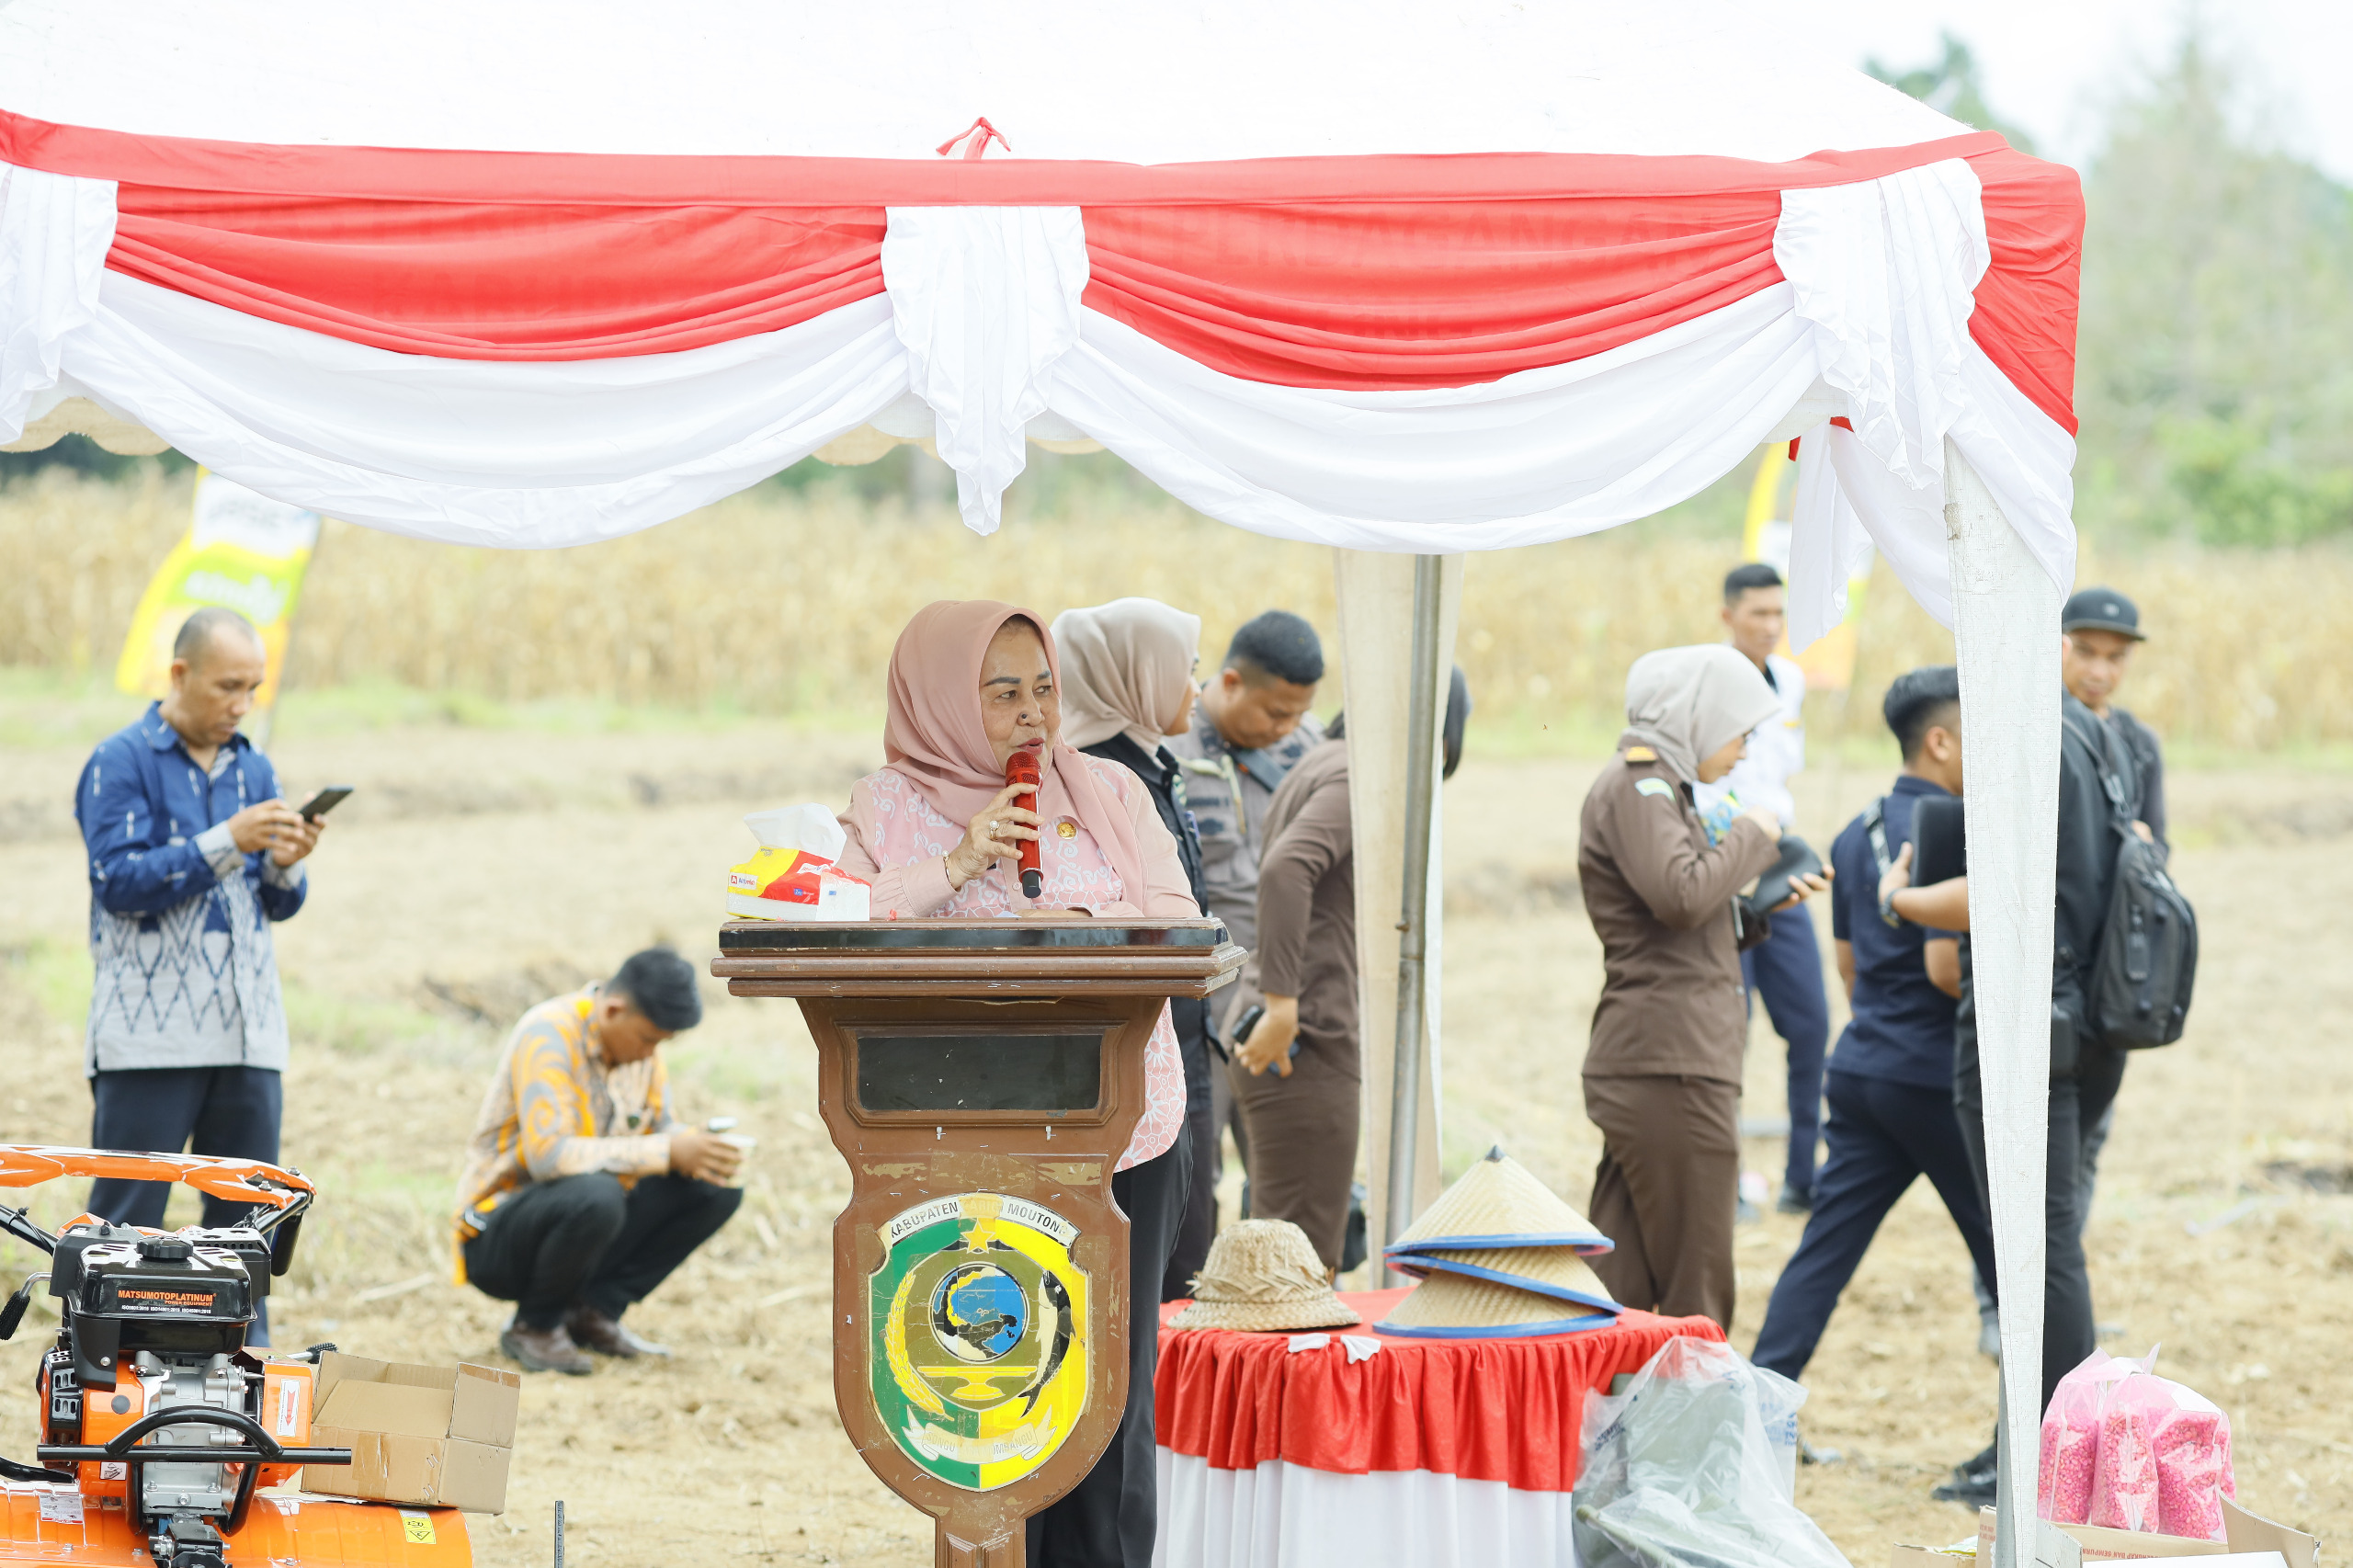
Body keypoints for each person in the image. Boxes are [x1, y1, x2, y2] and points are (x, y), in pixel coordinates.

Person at [833, 600, 1198, 1568]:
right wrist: (953, 867)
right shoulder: (884, 808)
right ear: (942, 701)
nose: (1033, 713)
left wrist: (1066, 926)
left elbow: (1179, 922)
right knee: (986, 1370)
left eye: (1044, 687)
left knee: (1106, 1386)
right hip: (952, 1145)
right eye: (1002, 693)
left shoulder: (1109, 789)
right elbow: (826, 920)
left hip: (1121, 1131)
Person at [1883, 680, 2145, 1505]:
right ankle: (2029, 1443)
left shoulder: (2017, 732)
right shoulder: (2098, 734)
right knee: (2044, 1245)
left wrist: (1899, 899)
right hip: (2093, 1019)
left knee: (2038, 1251)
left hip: (2026, 1022)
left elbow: (1997, 890)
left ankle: (2054, 1460)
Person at [76, 607, 324, 1346]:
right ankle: (106, 1376)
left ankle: (244, 1374)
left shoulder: (254, 766)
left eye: (252, 688)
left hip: (249, 1036)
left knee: (246, 1233)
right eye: (226, 687)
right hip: (150, 1039)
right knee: (124, 1230)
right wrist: (227, 840)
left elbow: (272, 904)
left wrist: (286, 863)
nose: (241, 705)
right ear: (179, 674)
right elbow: (118, 883)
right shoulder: (120, 761)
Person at [1749, 667, 1996, 1386]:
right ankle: (2048, 1433)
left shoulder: (1855, 831)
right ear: (1941, 742)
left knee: (1823, 1253)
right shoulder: (1951, 825)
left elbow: (1849, 970)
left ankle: (1760, 1405)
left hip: (1863, 1067)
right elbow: (1946, 971)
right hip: (1937, 1076)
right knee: (2022, 1264)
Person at [1577, 645, 1828, 1329]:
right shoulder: (1643, 787)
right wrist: (1751, 835)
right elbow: (1682, 896)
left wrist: (1755, 908)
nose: (1745, 751)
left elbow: (1672, 920)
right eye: (1739, 731)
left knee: (1620, 1286)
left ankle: (1605, 1400)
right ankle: (1694, 1400)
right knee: (1699, 1287)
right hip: (1671, 1063)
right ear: (1696, 716)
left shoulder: (1658, 789)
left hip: (1663, 1058)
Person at [1233, 671, 1473, 1274]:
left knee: (1283, 1251)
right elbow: (1286, 869)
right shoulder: (1356, 775)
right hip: (1306, 1040)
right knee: (1300, 1266)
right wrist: (1284, 1004)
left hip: (1297, 1034)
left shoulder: (1324, 759)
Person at [455, 949, 743, 1376]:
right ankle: (535, 1325)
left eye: (661, 1044)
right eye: (648, 1039)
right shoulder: (548, 1034)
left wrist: (695, 1146)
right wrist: (668, 1151)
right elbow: (549, 1157)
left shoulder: (638, 1053)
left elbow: (659, 1128)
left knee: (711, 1188)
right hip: (498, 1233)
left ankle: (592, 1312)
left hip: (589, 1216)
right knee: (598, 1192)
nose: (651, 1053)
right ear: (613, 1010)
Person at [1051, 597, 1219, 1301]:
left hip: (1179, 1050)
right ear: (1137, 677)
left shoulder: (1150, 766)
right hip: (1134, 1070)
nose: (1197, 688)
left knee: (1183, 1260)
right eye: (1187, 669)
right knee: (1148, 1282)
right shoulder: (1097, 786)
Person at [1165, 610, 1326, 1227]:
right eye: (1276, 713)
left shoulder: (1310, 749)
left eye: (1298, 715)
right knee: (1194, 1162)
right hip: (1203, 994)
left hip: (1285, 987)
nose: (1286, 729)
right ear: (1230, 683)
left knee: (1285, 1164)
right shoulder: (1171, 744)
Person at [1694, 562, 1830, 1214]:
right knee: (1731, 1027)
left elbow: (1780, 775)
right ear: (1729, 617)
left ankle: (1804, 1176)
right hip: (1722, 863)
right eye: (1758, 614)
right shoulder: (1706, 680)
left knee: (1811, 1023)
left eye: (1779, 614)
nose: (1771, 626)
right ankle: (1729, 1182)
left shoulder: (1791, 680)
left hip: (1778, 861)